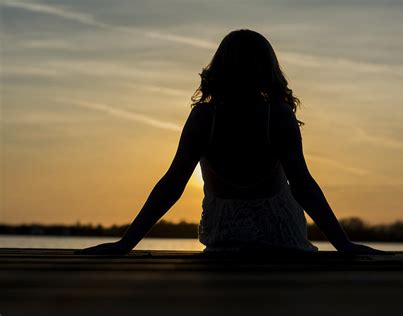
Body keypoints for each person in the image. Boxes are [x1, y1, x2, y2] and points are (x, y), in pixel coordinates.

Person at [75, 29, 387, 256]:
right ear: (268, 69)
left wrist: (125, 243)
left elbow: (172, 184)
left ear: (220, 68)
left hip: (224, 238)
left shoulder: (203, 117)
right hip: (281, 238)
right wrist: (343, 244)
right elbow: (303, 184)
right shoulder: (277, 115)